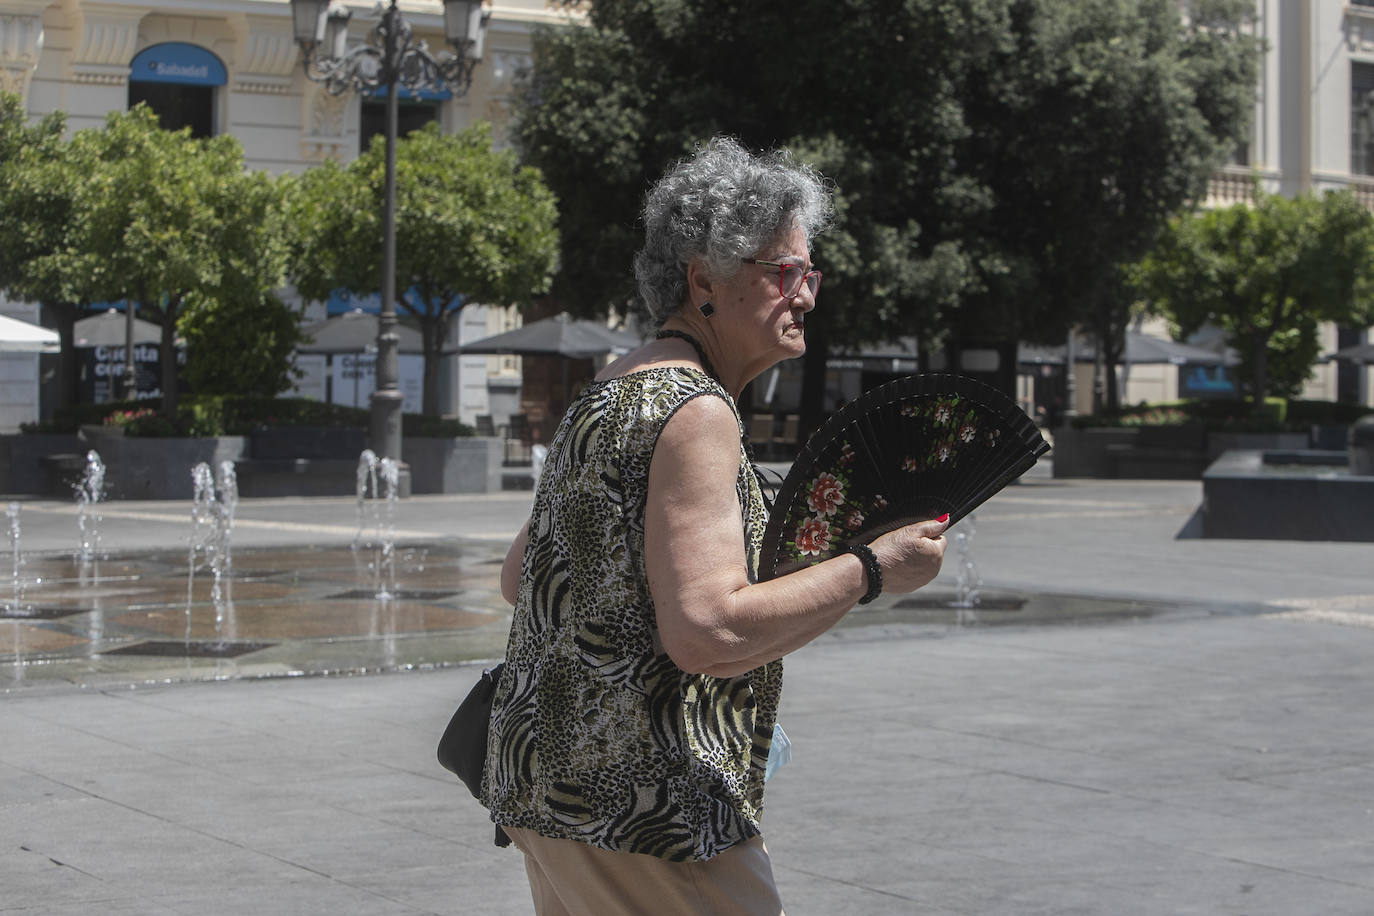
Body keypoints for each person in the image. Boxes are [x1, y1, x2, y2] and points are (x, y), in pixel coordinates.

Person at [482, 137, 949, 915]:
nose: (804, 295)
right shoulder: (697, 411)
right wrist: (871, 568)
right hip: (648, 809)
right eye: (784, 271)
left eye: (811, 273)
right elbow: (705, 632)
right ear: (703, 277)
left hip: (547, 790)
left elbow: (517, 579)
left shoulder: (615, 386)